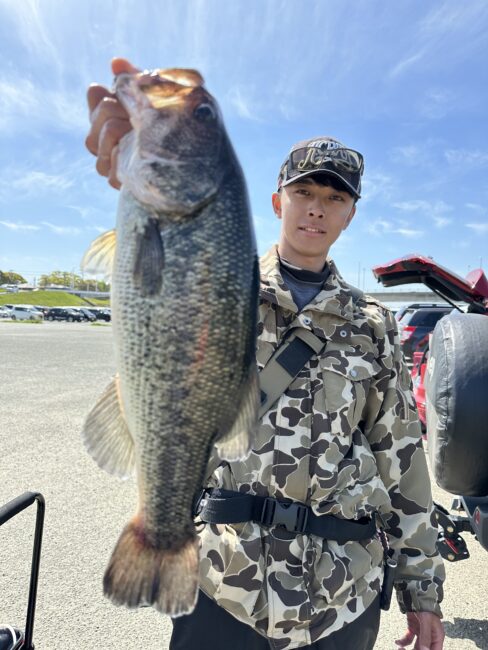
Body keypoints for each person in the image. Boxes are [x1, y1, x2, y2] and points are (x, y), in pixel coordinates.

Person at [86, 58, 446, 650]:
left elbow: (401, 456)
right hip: (226, 581)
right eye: (303, 191)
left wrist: (422, 590)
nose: (316, 207)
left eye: (334, 197)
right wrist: (137, 163)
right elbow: (160, 273)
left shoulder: (374, 325)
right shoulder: (219, 284)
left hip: (341, 595)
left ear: (350, 214)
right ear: (278, 201)